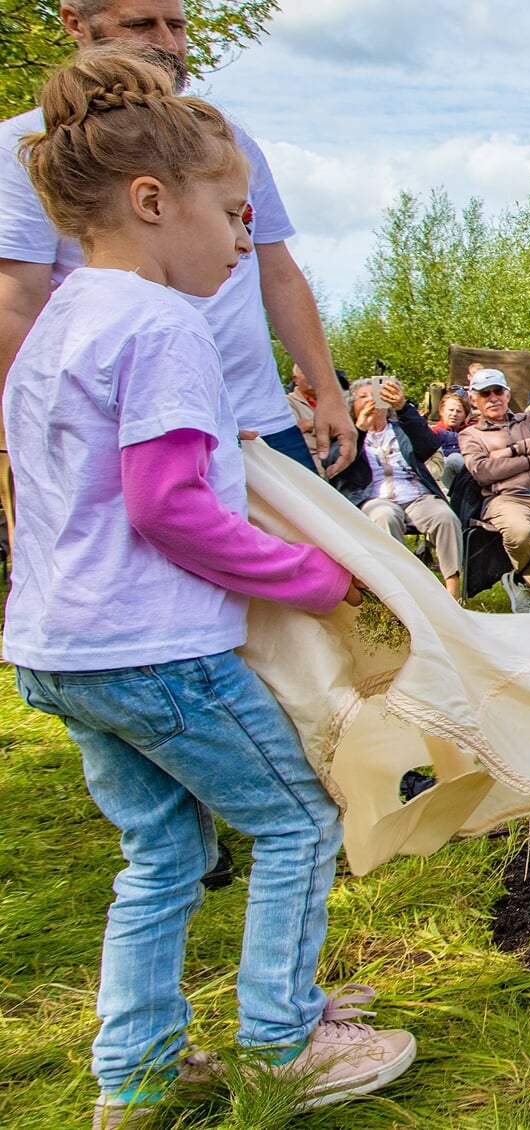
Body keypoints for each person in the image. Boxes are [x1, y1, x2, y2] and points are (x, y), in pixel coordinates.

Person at [1, 49, 413, 1127]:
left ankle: (132, 1075)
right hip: (156, 647)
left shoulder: (52, 330)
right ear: (151, 202)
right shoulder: (165, 324)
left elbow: (82, 484)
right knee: (293, 818)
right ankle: (285, 1039)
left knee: (165, 849)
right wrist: (313, 575)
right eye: (230, 215)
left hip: (59, 648)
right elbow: (169, 509)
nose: (243, 240)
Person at [0, 2, 355, 485]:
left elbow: (278, 269)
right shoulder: (32, 148)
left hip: (257, 418)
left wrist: (327, 387)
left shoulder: (223, 140)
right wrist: (29, 433)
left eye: (178, 26)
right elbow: (17, 302)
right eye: (141, 25)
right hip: (131, 428)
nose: (168, 44)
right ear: (75, 22)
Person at [336, 376, 464, 600]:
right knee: (385, 516)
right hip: (375, 497)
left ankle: (452, 593)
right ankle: (401, 590)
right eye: (362, 397)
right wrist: (360, 431)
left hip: (415, 494)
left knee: (445, 517)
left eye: (375, 394)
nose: (370, 401)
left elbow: (428, 446)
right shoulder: (347, 434)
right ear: (351, 406)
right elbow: (338, 469)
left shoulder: (403, 428)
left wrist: (403, 408)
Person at [460, 368, 530, 613]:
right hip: (505, 498)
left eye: (497, 391)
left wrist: (513, 450)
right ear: (474, 400)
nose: (493, 398)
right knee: (521, 533)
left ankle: (525, 582)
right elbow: (483, 471)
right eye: (485, 394)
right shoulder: (470, 434)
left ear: (507, 394)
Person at [286, 363, 350, 474]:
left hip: (349, 465)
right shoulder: (286, 403)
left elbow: (355, 427)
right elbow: (295, 435)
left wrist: (309, 425)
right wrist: (336, 428)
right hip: (312, 469)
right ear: (295, 379)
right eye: (306, 371)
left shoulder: (342, 398)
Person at [429, 392, 468, 484]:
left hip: (469, 475)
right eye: (450, 410)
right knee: (453, 459)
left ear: (465, 415)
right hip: (445, 476)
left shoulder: (471, 432)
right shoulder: (432, 432)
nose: (454, 414)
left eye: (458, 411)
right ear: (442, 411)